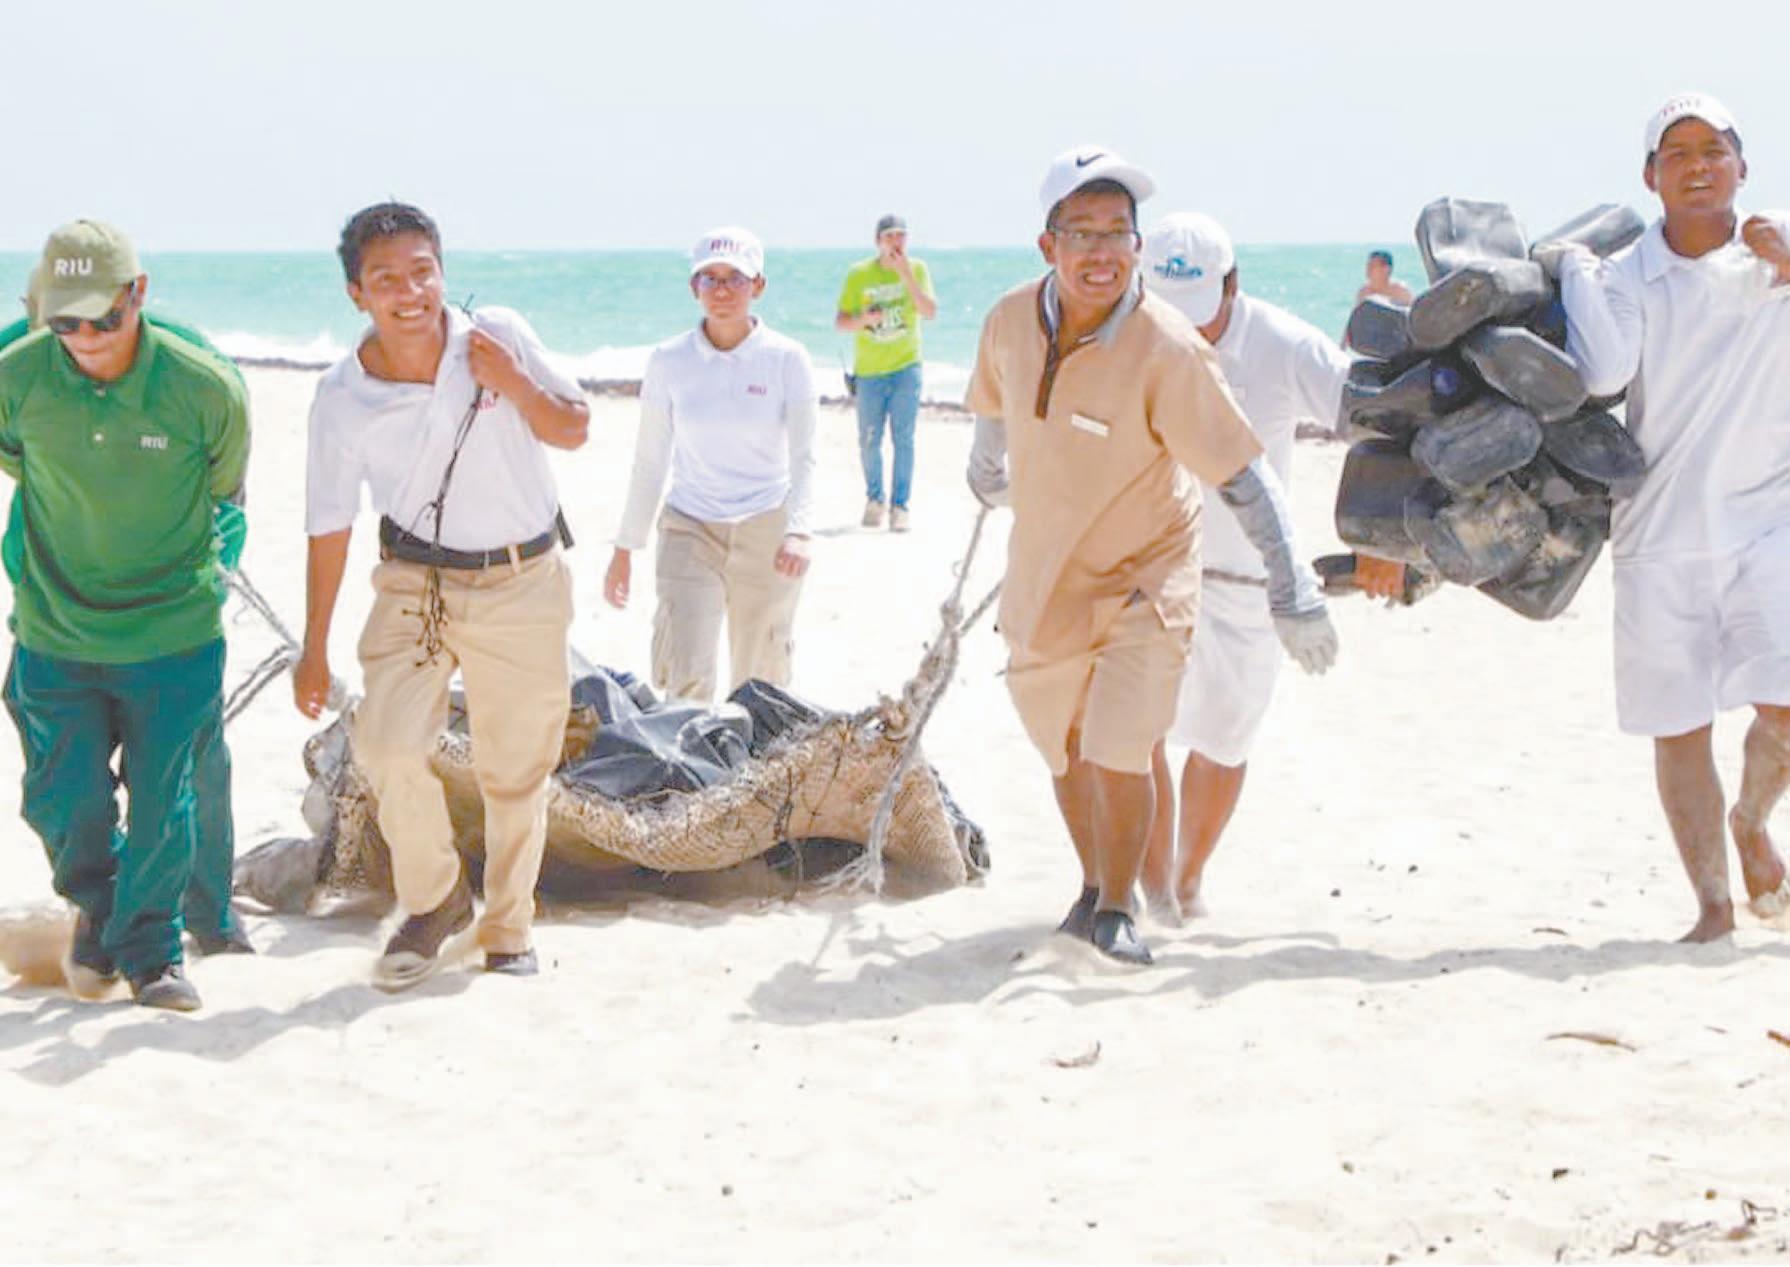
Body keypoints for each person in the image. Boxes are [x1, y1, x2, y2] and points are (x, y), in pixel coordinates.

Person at [964, 147, 1339, 966]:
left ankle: (1114, 909)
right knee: (1063, 743)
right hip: (1047, 570)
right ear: (1048, 244)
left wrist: (1294, 590)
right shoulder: (1007, 319)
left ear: (1137, 245)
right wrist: (986, 462)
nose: (1101, 251)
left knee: (1120, 741)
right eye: (1082, 233)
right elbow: (994, 391)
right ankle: (1100, 886)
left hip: (1148, 572)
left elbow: (1246, 477)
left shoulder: (1168, 346)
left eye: (1117, 233)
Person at [295, 202, 589, 986]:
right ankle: (435, 900)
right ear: (357, 293)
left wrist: (513, 382)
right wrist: (313, 646)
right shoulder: (341, 394)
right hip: (412, 581)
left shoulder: (497, 333)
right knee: (385, 744)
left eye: (422, 271)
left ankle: (509, 927)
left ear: (443, 271)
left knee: (515, 768)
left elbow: (574, 427)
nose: (410, 292)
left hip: (522, 577)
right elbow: (328, 525)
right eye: (386, 279)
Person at [1554, 93, 1790, 942]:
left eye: (1714, 150)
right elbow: (1603, 374)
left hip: (1769, 521)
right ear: (1650, 176)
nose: (1698, 167)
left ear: (1742, 167)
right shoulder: (1624, 274)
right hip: (1659, 532)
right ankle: (1714, 908)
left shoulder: (1779, 247)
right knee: (1679, 727)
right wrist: (1576, 272)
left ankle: (1753, 819)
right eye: (1678, 154)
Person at [0, 220, 251, 1010]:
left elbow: (226, 488)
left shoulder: (204, 386)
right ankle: (101, 909)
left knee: (164, 803)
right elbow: (20, 460)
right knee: (60, 799)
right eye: (64, 321)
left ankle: (153, 955)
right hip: (56, 632)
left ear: (137, 294)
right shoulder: (15, 376)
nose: (85, 337)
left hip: (174, 633)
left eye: (103, 316)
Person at [1134, 213, 1405, 922]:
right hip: (1147, 572)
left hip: (1250, 582)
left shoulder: (1283, 343)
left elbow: (1374, 419)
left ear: (1233, 284)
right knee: (1136, 733)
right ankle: (1154, 891)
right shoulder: (1126, 334)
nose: (1184, 327)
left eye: (1198, 310)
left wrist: (1380, 538)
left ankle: (1187, 878)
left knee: (1224, 741)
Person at [604, 228, 817, 702]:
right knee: (686, 675)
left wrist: (799, 531)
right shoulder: (668, 361)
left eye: (735, 279)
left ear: (758, 285)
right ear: (693, 287)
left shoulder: (788, 359)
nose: (722, 291)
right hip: (689, 527)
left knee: (759, 684)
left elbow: (805, 455)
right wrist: (625, 549)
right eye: (710, 279)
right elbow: (650, 460)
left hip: (767, 527)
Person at [835, 214, 936, 532]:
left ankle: (900, 506)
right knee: (869, 440)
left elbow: (929, 311)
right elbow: (841, 322)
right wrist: (864, 319)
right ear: (878, 241)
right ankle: (875, 499)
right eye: (889, 236)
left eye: (901, 236)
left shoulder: (917, 269)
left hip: (907, 366)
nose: (896, 242)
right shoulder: (859, 274)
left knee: (904, 438)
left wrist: (906, 275)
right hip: (869, 371)